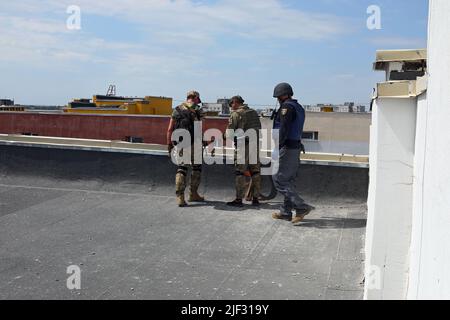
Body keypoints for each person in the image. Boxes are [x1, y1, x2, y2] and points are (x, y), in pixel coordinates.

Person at [271, 83, 315, 223]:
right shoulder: (299, 107)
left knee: (279, 179)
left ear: (282, 95)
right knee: (288, 180)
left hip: (287, 147)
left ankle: (301, 207)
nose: (277, 98)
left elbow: (284, 128)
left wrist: (278, 146)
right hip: (295, 147)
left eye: (278, 96)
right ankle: (285, 212)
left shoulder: (286, 107)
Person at [167, 90, 205, 207]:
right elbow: (199, 128)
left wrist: (169, 144)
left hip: (180, 143)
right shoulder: (198, 110)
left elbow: (169, 129)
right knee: (196, 168)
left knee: (181, 169)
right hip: (195, 143)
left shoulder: (177, 109)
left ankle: (180, 198)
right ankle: (193, 194)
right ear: (196, 98)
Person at [225, 96, 262, 207]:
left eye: (231, 104)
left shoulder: (236, 114)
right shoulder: (254, 113)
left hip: (243, 146)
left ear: (235, 102)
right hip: (254, 145)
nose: (231, 107)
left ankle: (238, 199)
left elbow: (230, 133)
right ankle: (255, 198)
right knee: (255, 172)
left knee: (240, 172)